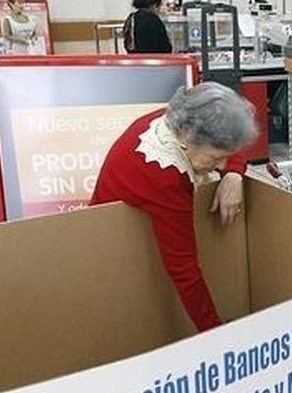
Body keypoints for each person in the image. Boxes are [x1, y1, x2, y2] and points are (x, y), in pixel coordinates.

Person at [90, 83, 257, 333]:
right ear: (189, 140)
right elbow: (184, 270)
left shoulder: (180, 117)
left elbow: (231, 141)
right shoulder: (165, 175)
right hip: (106, 253)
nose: (221, 165)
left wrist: (234, 174)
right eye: (215, 158)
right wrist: (215, 334)